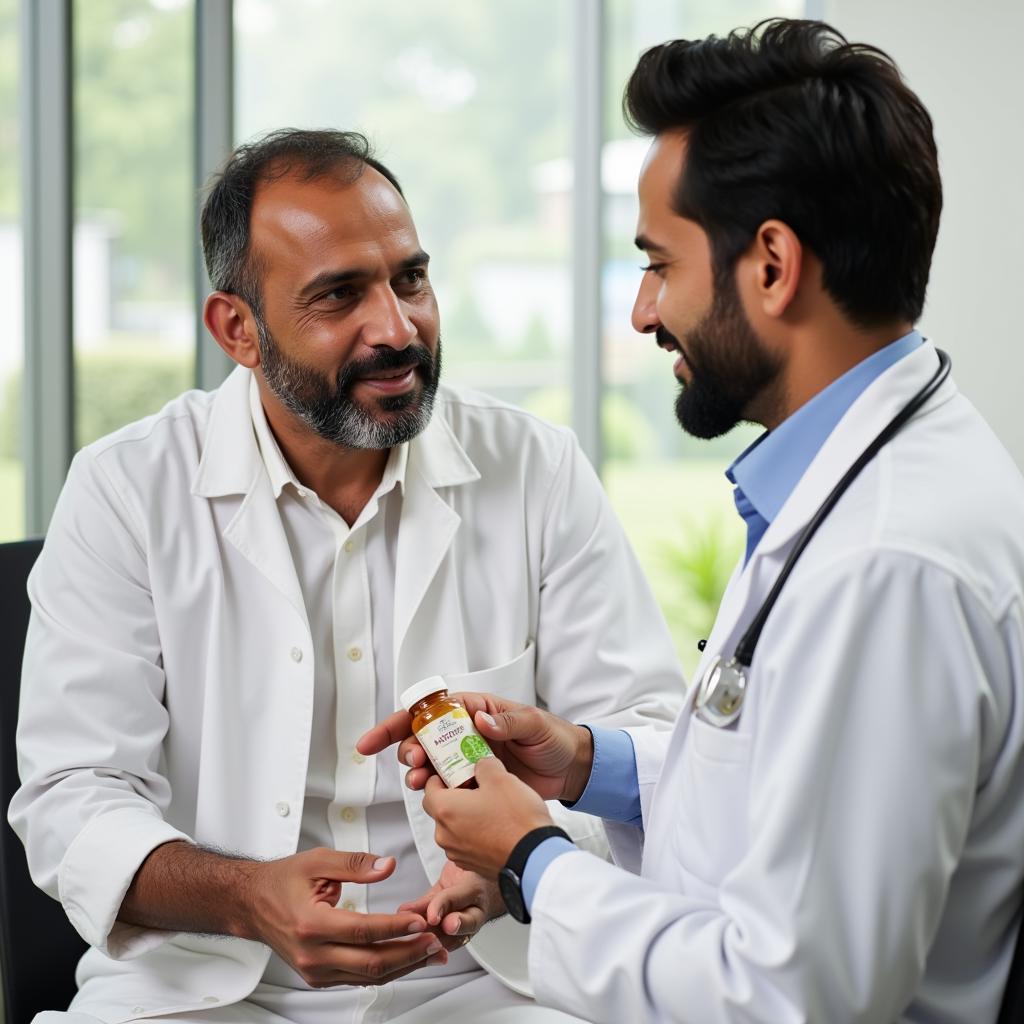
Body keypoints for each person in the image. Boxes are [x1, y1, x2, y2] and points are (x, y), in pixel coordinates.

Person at [361, 19, 1024, 1023]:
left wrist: (528, 857)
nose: (638, 312)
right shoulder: (872, 478)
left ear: (770, 265)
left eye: (658, 264)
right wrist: (587, 763)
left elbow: (793, 995)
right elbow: (789, 789)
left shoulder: (887, 561)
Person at [9, 129, 684, 1023]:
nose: (398, 328)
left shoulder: (536, 468)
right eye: (339, 296)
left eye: (409, 278)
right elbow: (71, 797)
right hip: (205, 988)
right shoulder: (126, 489)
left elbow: (649, 745)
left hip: (490, 981)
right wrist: (245, 897)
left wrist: (518, 861)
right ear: (236, 329)